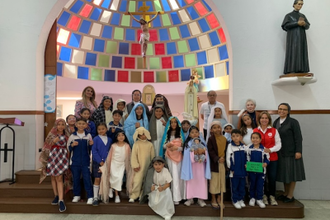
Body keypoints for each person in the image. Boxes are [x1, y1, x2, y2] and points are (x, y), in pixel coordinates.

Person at [273, 103, 305, 203]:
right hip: (280, 153)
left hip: (291, 153)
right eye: (280, 109)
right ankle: (285, 193)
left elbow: (298, 138)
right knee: (284, 174)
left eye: (284, 109)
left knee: (292, 175)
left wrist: (298, 151)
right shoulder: (276, 122)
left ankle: (290, 195)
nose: (281, 111)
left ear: (288, 111)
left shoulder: (293, 122)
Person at [39, 118, 70, 212]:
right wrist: (53, 142)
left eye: (62, 124)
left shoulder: (67, 135)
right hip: (53, 156)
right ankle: (56, 195)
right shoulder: (52, 134)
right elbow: (46, 146)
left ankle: (61, 200)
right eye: (59, 124)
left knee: (59, 177)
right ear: (56, 125)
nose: (61, 126)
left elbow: (68, 146)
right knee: (53, 177)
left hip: (62, 157)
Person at [253, 111, 282, 206]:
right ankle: (263, 196)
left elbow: (279, 144)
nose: (264, 120)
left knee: (272, 178)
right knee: (262, 178)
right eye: (262, 118)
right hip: (259, 159)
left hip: (273, 158)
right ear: (259, 120)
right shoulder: (255, 131)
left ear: (269, 120)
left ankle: (272, 196)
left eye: (266, 118)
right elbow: (254, 143)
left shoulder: (274, 130)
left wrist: (270, 150)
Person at [181, 126, 211, 207]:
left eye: (196, 132)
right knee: (191, 181)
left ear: (199, 133)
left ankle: (201, 199)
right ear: (189, 134)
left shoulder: (203, 142)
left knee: (201, 181)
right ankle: (190, 199)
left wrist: (203, 152)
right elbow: (187, 155)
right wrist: (194, 153)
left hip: (201, 166)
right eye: (192, 132)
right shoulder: (188, 144)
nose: (194, 134)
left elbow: (206, 153)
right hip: (191, 166)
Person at [100, 130, 132, 204]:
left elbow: (129, 157)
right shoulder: (113, 146)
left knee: (119, 178)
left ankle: (112, 189)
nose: (121, 137)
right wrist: (107, 166)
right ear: (116, 137)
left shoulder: (127, 146)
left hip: (122, 164)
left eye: (122, 135)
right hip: (113, 163)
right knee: (112, 177)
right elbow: (109, 157)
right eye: (119, 135)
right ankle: (116, 195)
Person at [67, 118, 94, 205]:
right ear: (76, 125)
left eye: (83, 124)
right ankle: (77, 195)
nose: (81, 125)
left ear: (86, 125)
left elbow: (91, 149)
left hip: (86, 161)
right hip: (75, 162)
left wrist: (91, 145)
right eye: (79, 123)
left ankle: (90, 196)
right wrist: (72, 145)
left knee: (87, 179)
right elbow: (68, 148)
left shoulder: (88, 135)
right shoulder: (72, 136)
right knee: (76, 179)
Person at [160, 116, 185, 205]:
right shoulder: (167, 133)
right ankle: (172, 197)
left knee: (177, 176)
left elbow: (184, 148)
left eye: (175, 122)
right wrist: (168, 145)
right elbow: (163, 146)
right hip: (169, 158)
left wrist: (177, 148)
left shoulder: (181, 134)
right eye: (172, 122)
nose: (173, 124)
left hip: (178, 158)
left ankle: (178, 197)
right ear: (169, 124)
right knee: (171, 176)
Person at [282, 0, 310, 74]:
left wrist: (304, 24)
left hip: (301, 37)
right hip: (293, 37)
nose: (300, 6)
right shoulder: (289, 15)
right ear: (294, 5)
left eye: (301, 4)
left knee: (301, 51)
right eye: (298, 4)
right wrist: (297, 23)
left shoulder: (302, 16)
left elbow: (307, 26)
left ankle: (302, 69)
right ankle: (291, 69)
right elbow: (285, 26)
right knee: (293, 51)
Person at [129, 127, 155, 202]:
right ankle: (134, 195)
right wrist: (135, 165)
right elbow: (133, 155)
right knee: (137, 181)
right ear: (138, 136)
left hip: (147, 166)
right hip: (139, 167)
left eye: (144, 134)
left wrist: (152, 165)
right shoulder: (136, 144)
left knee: (145, 181)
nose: (143, 136)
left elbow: (152, 155)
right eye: (140, 135)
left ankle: (142, 195)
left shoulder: (150, 144)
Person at [207, 121, 227, 209]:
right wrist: (217, 159)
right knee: (214, 182)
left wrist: (223, 158)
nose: (217, 129)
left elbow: (226, 150)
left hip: (222, 163)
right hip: (214, 164)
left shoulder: (224, 139)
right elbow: (210, 151)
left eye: (218, 127)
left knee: (221, 182)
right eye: (214, 128)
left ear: (221, 128)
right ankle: (213, 199)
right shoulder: (211, 139)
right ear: (211, 129)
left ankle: (220, 199)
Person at [247, 132, 270, 208]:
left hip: (261, 172)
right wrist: (246, 164)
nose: (255, 139)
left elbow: (267, 159)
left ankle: (259, 199)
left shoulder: (264, 149)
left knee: (260, 185)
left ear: (260, 139)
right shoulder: (248, 149)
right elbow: (246, 158)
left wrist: (266, 164)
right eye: (253, 138)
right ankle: (252, 198)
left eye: (257, 138)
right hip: (251, 171)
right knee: (252, 184)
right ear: (251, 139)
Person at [91, 123, 112, 206]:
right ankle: (95, 197)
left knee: (105, 178)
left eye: (103, 129)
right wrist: (100, 161)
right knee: (97, 179)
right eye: (99, 129)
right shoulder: (95, 139)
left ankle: (102, 194)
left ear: (106, 129)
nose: (101, 131)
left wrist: (107, 161)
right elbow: (94, 151)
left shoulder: (110, 139)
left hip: (107, 162)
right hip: (98, 162)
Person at [226, 129, 247, 209]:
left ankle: (241, 199)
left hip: (243, 170)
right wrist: (231, 168)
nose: (235, 138)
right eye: (233, 136)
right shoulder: (230, 146)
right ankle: (235, 200)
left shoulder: (243, 147)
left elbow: (247, 156)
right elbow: (228, 158)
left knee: (242, 185)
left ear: (241, 137)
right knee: (235, 186)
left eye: (237, 136)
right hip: (234, 171)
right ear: (231, 137)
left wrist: (247, 164)